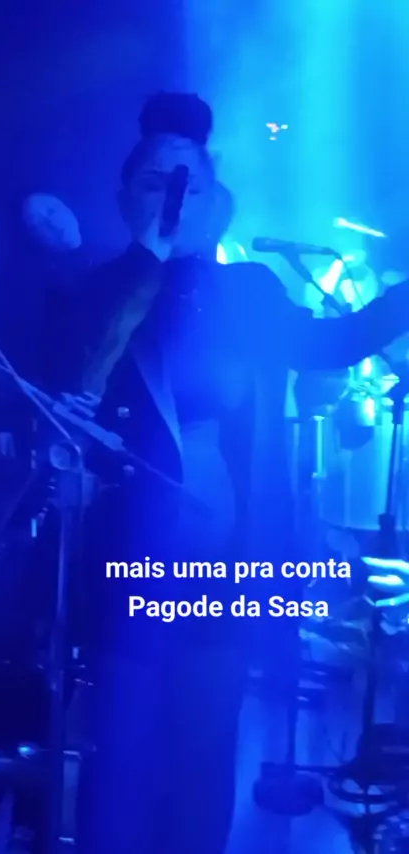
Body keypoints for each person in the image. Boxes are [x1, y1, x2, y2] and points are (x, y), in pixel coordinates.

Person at [36, 92, 409, 854]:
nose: (175, 200)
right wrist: (149, 255)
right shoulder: (96, 291)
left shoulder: (249, 292)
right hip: (129, 570)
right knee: (120, 768)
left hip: (225, 572)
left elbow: (334, 344)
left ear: (219, 202)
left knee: (204, 764)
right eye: (156, 183)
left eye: (191, 186)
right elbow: (81, 362)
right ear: (124, 197)